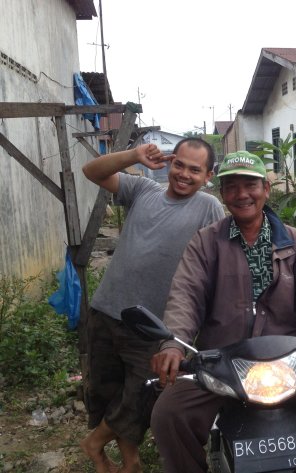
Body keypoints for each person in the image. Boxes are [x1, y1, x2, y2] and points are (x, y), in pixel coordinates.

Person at [150, 150, 296, 473]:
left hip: (289, 365)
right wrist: (172, 344)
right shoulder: (206, 243)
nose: (242, 194)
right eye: (231, 186)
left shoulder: (294, 242)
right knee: (168, 415)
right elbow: (185, 296)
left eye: (250, 185)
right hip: (221, 363)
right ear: (222, 194)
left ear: (266, 189)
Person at [80, 138, 225, 473]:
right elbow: (91, 171)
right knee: (110, 391)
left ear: (208, 175)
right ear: (170, 163)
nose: (184, 174)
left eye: (194, 169)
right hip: (106, 310)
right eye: (180, 165)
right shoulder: (144, 188)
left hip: (155, 327)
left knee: (141, 397)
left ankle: (94, 443)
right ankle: (130, 463)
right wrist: (134, 155)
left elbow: (215, 264)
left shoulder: (208, 208)